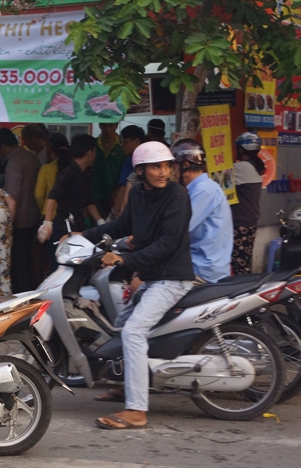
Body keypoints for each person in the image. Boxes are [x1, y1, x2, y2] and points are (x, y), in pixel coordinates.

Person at [81, 141, 194, 430]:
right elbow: (120, 226)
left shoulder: (177, 196)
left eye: (166, 165)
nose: (163, 172)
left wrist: (122, 261)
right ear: (141, 171)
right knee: (120, 324)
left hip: (171, 278)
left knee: (132, 332)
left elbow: (167, 244)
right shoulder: (141, 197)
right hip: (153, 277)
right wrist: (83, 236)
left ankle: (136, 410)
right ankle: (127, 385)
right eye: (156, 166)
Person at [172, 139, 232, 283]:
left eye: (172, 167)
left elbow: (178, 229)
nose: (170, 172)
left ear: (185, 165)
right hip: (197, 265)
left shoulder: (204, 190)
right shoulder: (199, 189)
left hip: (202, 271)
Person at [0, 128, 41, 293]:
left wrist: (6, 226)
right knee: (28, 263)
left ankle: (22, 298)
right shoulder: (31, 157)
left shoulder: (14, 163)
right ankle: (30, 293)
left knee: (19, 265)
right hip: (33, 217)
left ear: (3, 146)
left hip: (19, 221)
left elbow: (12, 196)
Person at [38, 134, 103, 252]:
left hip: (78, 225)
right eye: (95, 151)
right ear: (90, 152)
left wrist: (100, 221)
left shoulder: (85, 174)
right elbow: (52, 196)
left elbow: (88, 201)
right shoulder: (68, 173)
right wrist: (47, 222)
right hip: (63, 226)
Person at [231, 132, 265, 275]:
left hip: (240, 222)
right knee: (244, 260)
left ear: (242, 149)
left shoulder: (243, 167)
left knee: (239, 263)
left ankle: (242, 291)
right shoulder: (256, 166)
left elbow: (219, 175)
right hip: (249, 220)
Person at [91, 122, 126, 219]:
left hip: (116, 196)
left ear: (116, 126)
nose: (107, 130)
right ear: (99, 126)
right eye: (104, 126)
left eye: (111, 126)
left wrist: (118, 191)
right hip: (95, 195)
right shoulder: (93, 145)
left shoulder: (122, 146)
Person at [34, 133, 71, 221]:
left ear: (52, 152)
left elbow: (38, 195)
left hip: (49, 216)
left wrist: (44, 208)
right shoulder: (73, 169)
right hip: (69, 216)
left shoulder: (46, 169)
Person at [112, 125, 146, 218]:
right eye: (121, 142)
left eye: (125, 142)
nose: (122, 146)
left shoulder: (131, 162)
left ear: (136, 141)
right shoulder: (148, 159)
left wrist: (116, 211)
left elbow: (124, 188)